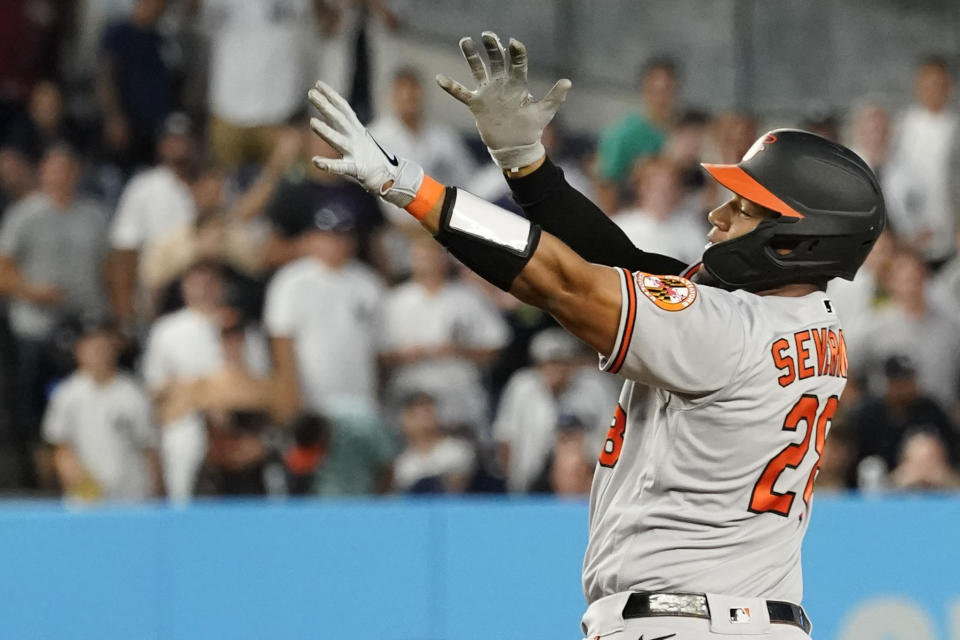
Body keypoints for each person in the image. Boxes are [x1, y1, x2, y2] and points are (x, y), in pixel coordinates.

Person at [305, 29, 885, 639]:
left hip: (685, 620)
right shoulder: (808, 326)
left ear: (795, 239)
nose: (718, 214)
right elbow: (626, 263)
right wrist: (529, 168)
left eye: (743, 209)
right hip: (752, 619)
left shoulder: (726, 330)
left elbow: (566, 282)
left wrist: (412, 189)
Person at [42, 323, 161, 501]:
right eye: (90, 347)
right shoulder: (66, 394)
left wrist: (155, 491)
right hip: (87, 496)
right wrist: (75, 477)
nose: (97, 353)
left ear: (114, 349)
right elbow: (61, 445)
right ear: (78, 351)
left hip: (131, 493)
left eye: (102, 347)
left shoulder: (133, 393)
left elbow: (149, 447)